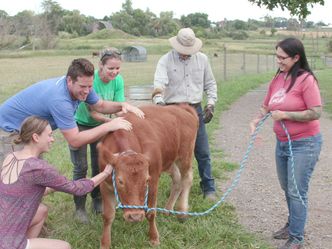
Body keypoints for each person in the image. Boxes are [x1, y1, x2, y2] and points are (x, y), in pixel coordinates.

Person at [0, 58, 144, 165]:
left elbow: (100, 105)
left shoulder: (83, 87)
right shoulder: (60, 100)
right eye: (83, 86)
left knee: (31, 173)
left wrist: (123, 105)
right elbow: (75, 140)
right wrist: (108, 125)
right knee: (14, 177)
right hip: (10, 130)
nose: (87, 91)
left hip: (30, 131)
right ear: (69, 80)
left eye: (90, 86)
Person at [250, 37, 322, 249]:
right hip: (282, 143)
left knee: (296, 190)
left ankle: (297, 238)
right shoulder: (278, 78)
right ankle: (293, 225)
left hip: (305, 144)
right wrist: (256, 119)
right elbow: (266, 106)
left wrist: (286, 115)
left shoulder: (306, 79)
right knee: (287, 187)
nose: (278, 61)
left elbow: (316, 112)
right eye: (276, 56)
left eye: (282, 57)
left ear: (296, 57)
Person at [0, 116, 114, 249]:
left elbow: (21, 190)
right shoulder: (38, 167)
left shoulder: (11, 157)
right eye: (49, 135)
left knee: (41, 210)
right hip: (7, 243)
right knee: (64, 246)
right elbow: (78, 189)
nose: (52, 139)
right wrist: (105, 173)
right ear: (36, 137)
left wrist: (57, 186)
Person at [152, 27, 217, 200]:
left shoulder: (202, 60)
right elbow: (159, 83)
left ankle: (208, 187)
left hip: (194, 109)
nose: (186, 54)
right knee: (170, 152)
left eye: (189, 51)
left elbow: (210, 83)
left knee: (202, 150)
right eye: (182, 51)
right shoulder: (165, 60)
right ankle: (175, 184)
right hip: (172, 110)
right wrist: (159, 101)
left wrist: (210, 104)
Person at [69, 48, 126, 223]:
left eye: (118, 69)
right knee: (81, 167)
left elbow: (118, 107)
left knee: (98, 165)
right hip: (81, 125)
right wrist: (111, 123)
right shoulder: (90, 79)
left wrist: (124, 117)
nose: (115, 72)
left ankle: (97, 200)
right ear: (100, 65)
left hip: (103, 126)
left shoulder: (118, 81)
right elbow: (94, 113)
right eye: (111, 69)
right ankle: (79, 207)